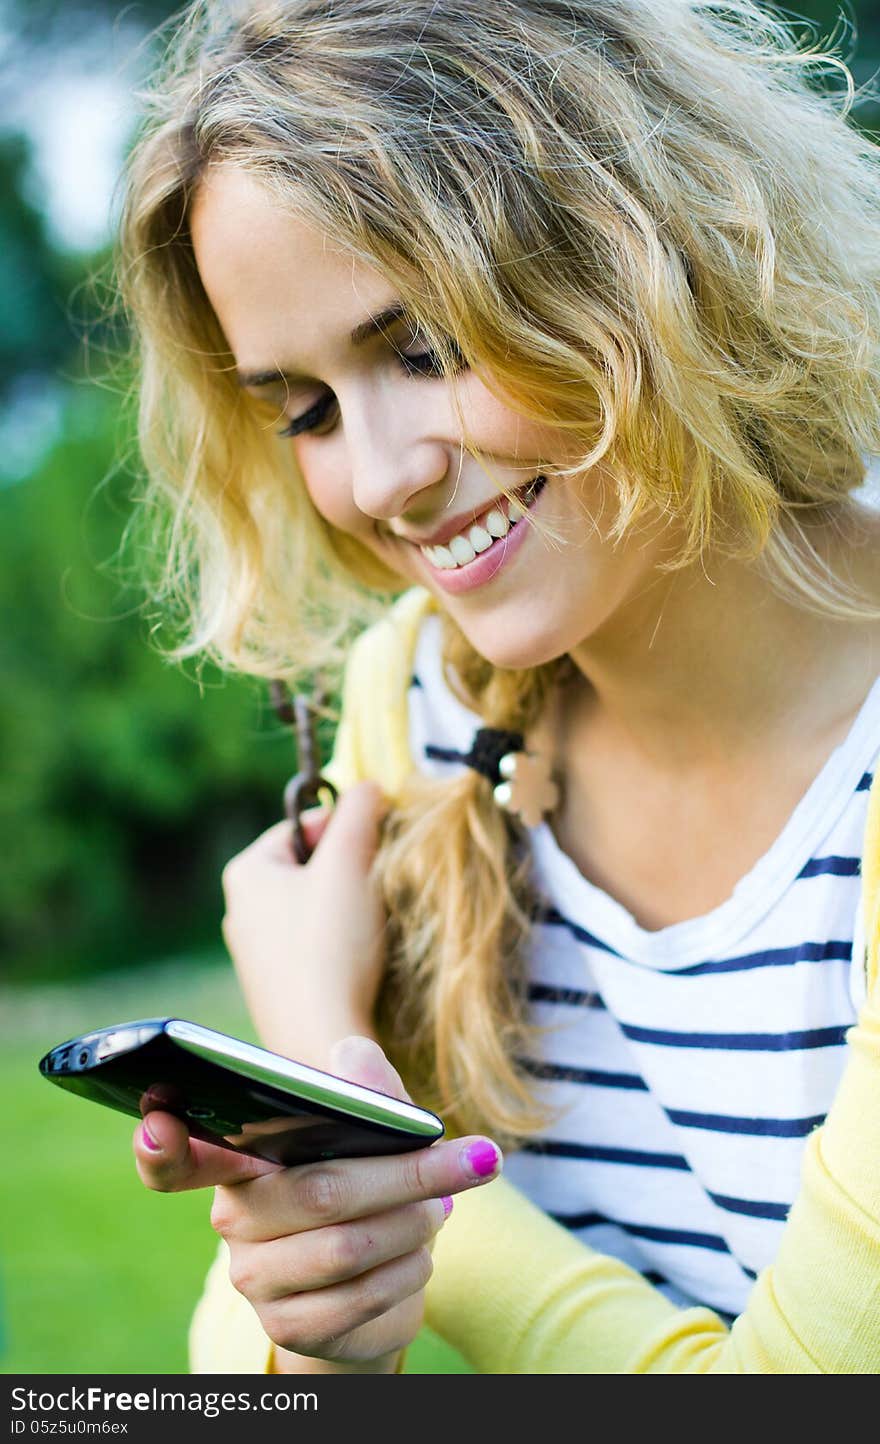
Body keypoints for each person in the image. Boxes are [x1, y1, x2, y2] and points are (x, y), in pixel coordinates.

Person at [120, 0, 880, 1372]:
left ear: (640, 249)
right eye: (305, 407)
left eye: (424, 346)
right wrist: (324, 1312)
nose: (378, 475)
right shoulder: (418, 706)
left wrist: (341, 1083)